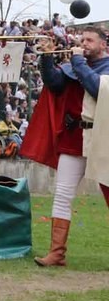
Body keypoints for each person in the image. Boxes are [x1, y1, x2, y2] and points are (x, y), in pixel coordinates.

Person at [22, 29, 109, 266]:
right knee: (62, 195)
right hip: (73, 138)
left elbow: (96, 88)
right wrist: (47, 58)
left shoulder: (104, 67)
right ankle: (57, 253)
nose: (84, 44)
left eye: (89, 40)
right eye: (82, 40)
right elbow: (55, 83)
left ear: (103, 44)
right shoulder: (76, 65)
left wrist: (78, 60)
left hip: (103, 139)